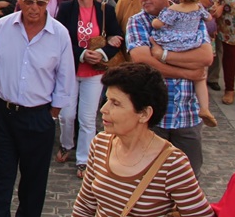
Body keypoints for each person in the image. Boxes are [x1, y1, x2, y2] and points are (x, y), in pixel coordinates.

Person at [0, 0, 76, 217]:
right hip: (3, 114)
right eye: (29, 1)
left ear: (48, 0)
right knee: (2, 176)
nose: (34, 8)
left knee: (34, 181)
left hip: (39, 116)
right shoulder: (2, 27)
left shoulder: (60, 34)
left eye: (41, 2)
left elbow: (65, 79)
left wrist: (52, 114)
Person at [72, 64, 214, 217]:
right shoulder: (100, 143)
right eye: (106, 100)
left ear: (144, 114)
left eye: (115, 103)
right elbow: (84, 207)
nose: (103, 109)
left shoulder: (173, 164)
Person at [127, 0, 212, 176]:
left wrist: (163, 55)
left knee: (189, 179)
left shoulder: (191, 14)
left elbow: (205, 57)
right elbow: (143, 61)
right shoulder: (137, 21)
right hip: (153, 117)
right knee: (150, 180)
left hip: (187, 115)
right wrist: (188, 72)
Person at [55, 0, 123, 178]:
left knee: (87, 118)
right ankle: (67, 144)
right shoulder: (66, 8)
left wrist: (102, 53)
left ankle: (84, 159)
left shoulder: (105, 10)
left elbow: (117, 37)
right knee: (66, 115)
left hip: (94, 72)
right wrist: (83, 54)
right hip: (71, 68)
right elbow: (61, 40)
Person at [152, 0, 216, 126]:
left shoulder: (173, 9)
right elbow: (209, 19)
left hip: (173, 45)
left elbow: (158, 24)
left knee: (167, 58)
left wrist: (155, 21)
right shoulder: (199, 8)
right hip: (192, 45)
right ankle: (204, 107)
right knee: (200, 77)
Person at [201, 0, 223, 91]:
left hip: (223, 14)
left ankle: (213, 78)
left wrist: (221, 6)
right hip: (204, 15)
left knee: (219, 48)